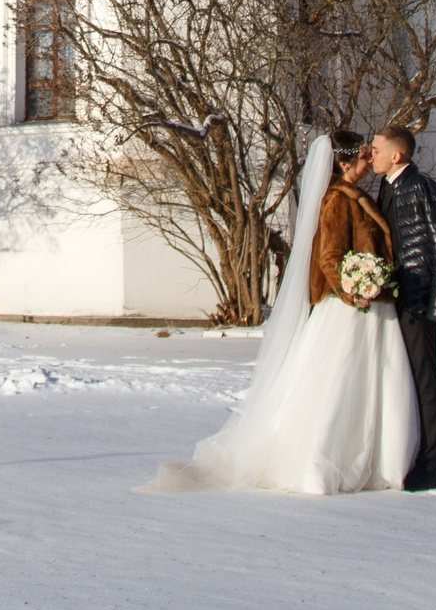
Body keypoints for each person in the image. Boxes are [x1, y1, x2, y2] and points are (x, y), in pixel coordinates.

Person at [148, 134, 416, 495]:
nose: (370, 161)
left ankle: (374, 462)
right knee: (337, 387)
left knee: (367, 386)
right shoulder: (337, 200)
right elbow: (329, 258)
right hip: (348, 311)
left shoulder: (359, 196)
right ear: (344, 163)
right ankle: (318, 465)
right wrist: (354, 288)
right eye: (364, 156)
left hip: (370, 309)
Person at [367, 123, 436, 492]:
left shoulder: (422, 189)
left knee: (425, 383)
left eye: (375, 148)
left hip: (418, 303)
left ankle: (429, 466)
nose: (369, 154)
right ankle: (408, 455)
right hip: (399, 301)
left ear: (396, 155)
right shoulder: (388, 188)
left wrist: (435, 308)